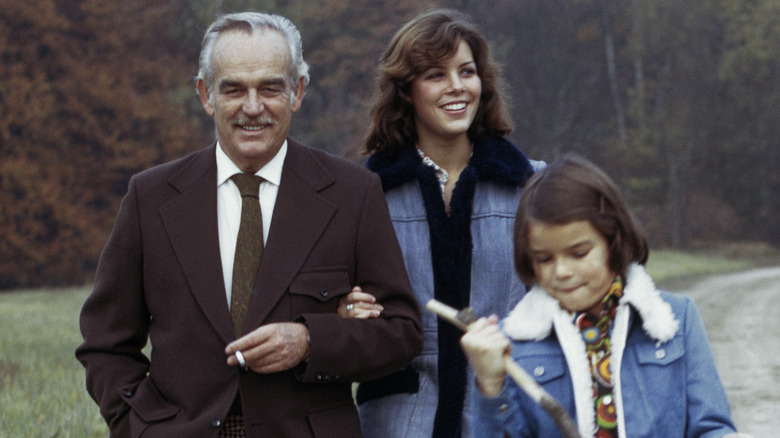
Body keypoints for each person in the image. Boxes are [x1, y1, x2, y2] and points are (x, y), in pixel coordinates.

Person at [75, 12, 423, 438]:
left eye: (270, 88)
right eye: (234, 89)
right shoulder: (150, 198)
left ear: (297, 91)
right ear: (206, 95)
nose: (253, 107)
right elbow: (104, 344)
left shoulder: (353, 194)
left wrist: (310, 340)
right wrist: (139, 426)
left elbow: (401, 333)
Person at [337, 9, 543, 438]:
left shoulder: (531, 186)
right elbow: (338, 309)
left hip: (506, 411)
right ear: (406, 91)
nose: (456, 86)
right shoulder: (364, 194)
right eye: (435, 74)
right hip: (398, 421)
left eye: (466, 71)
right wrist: (347, 312)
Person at [460, 155, 746, 437]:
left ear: (613, 240)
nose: (561, 271)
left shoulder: (677, 317)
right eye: (544, 259)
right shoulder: (515, 342)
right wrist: (490, 385)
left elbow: (711, 427)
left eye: (579, 253)